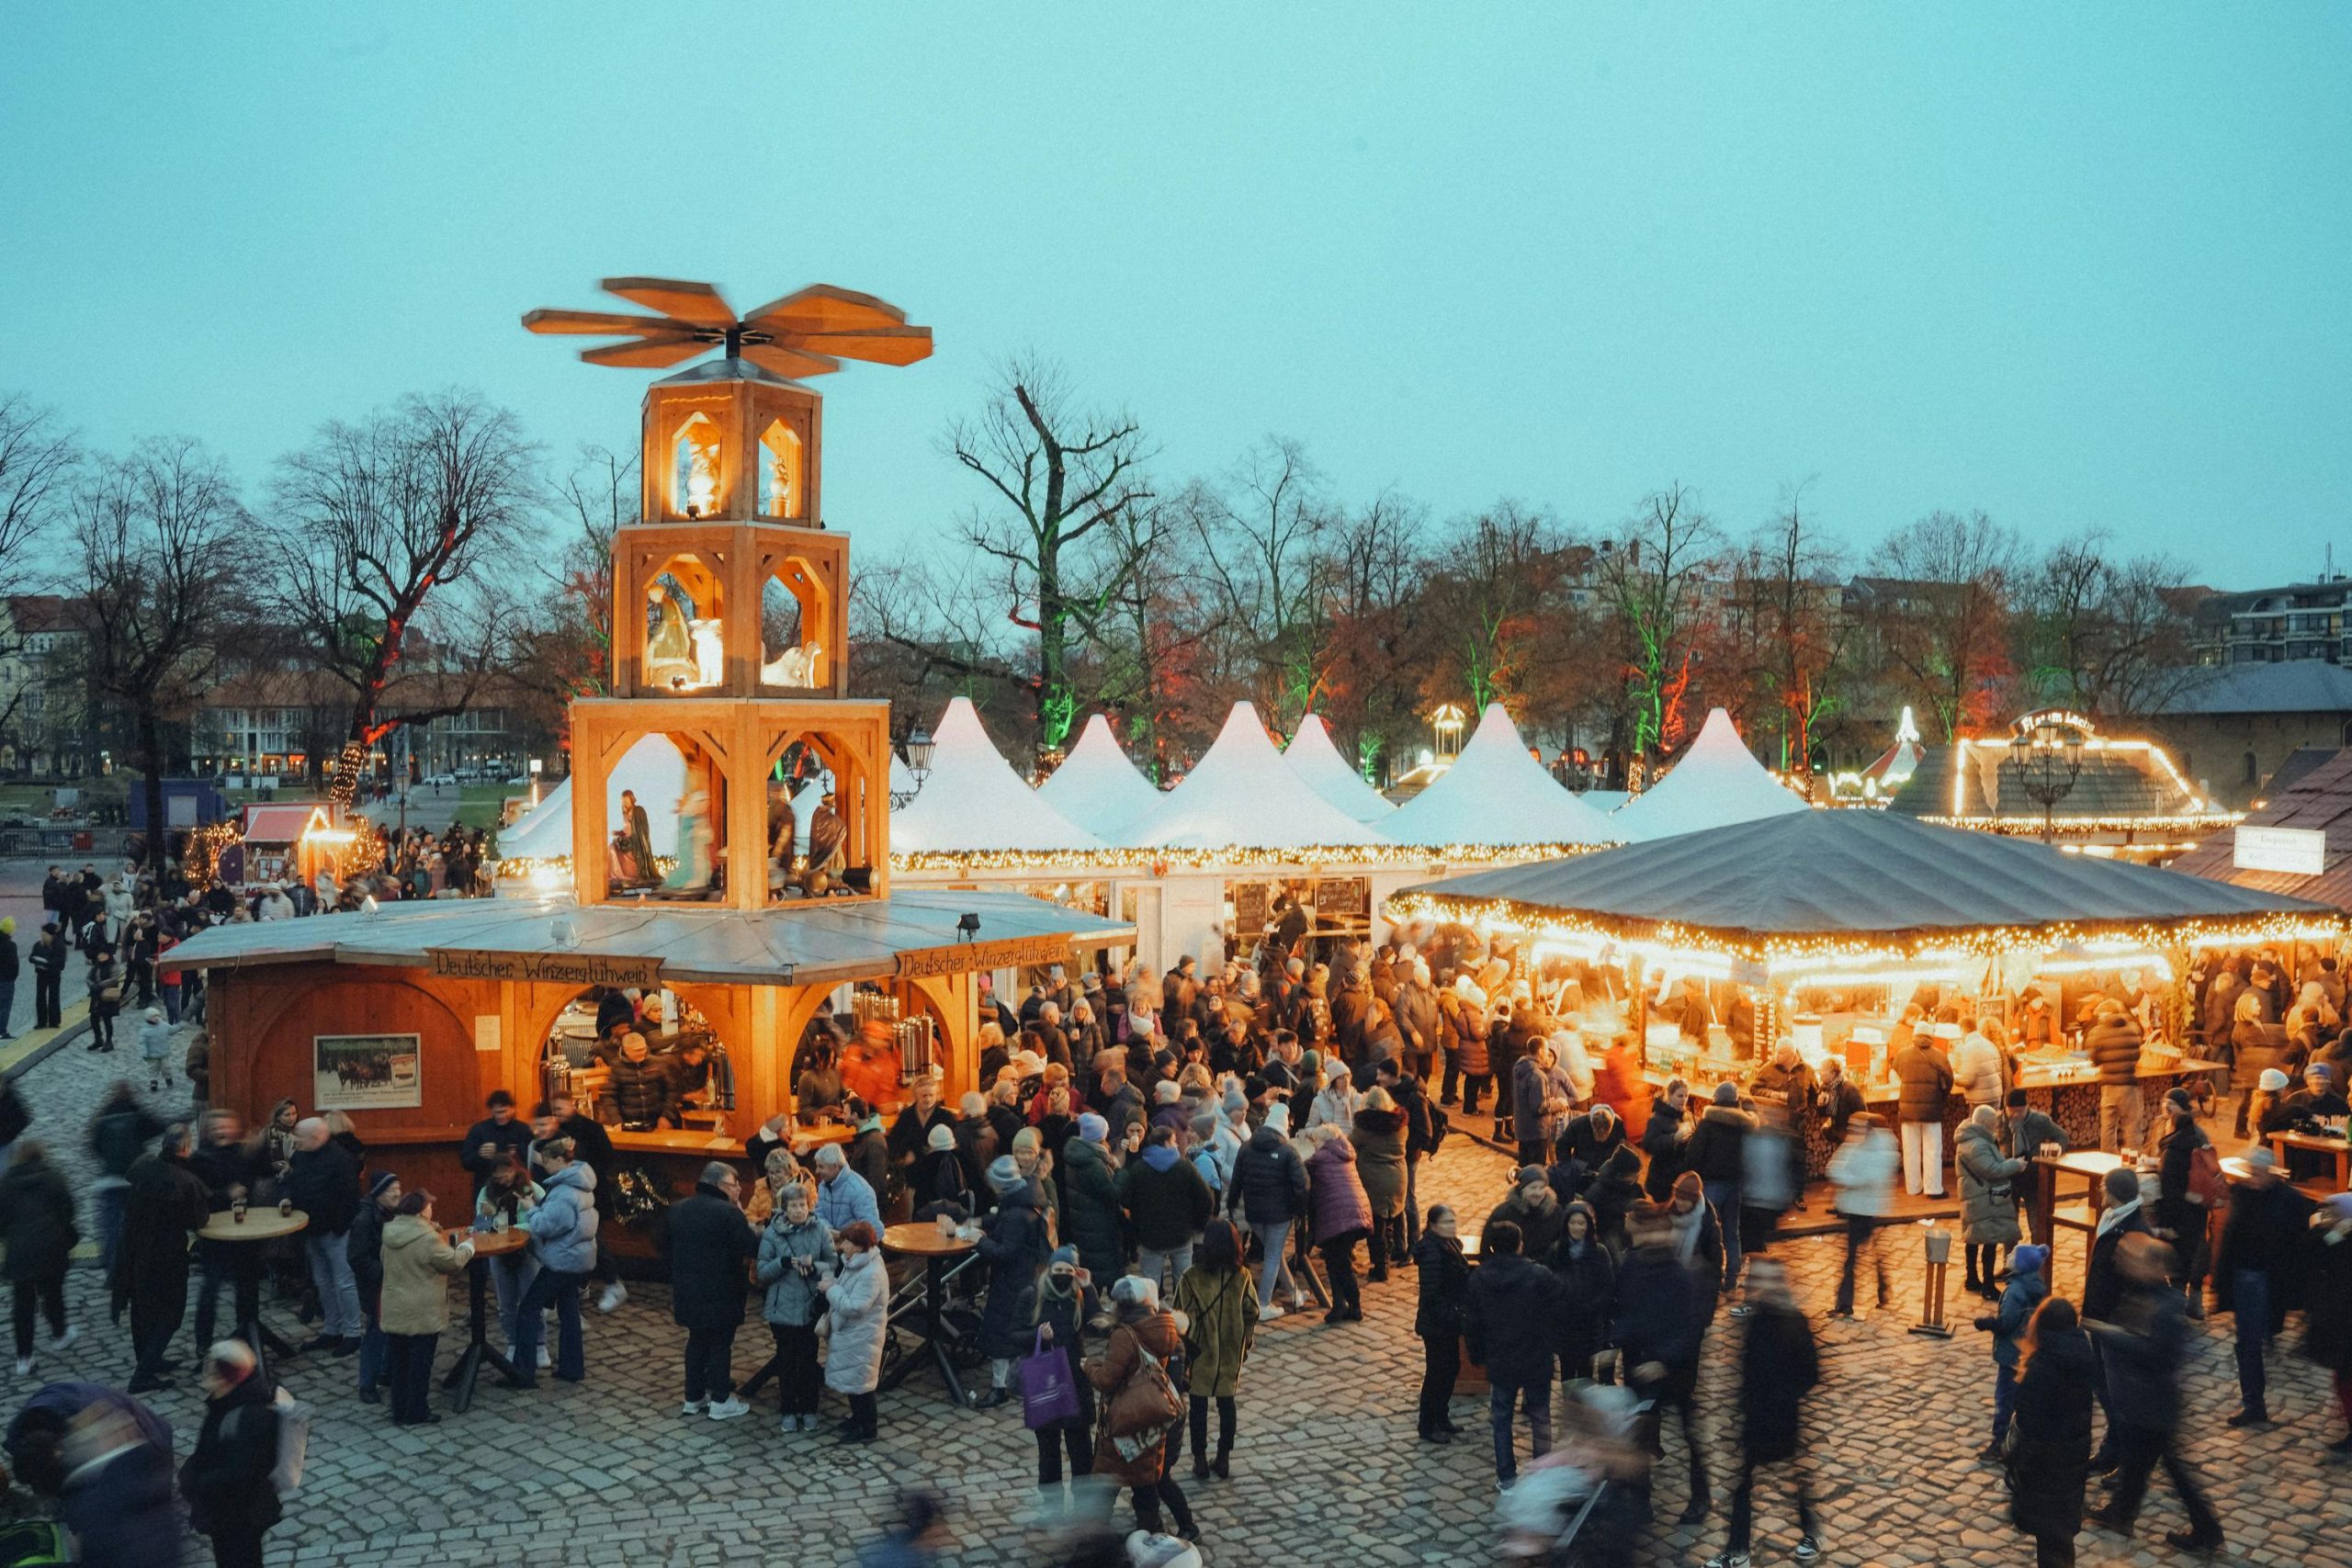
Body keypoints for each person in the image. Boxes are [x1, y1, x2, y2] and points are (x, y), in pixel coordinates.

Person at [2084, 1234, 2223, 1552]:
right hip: (2141, 1401)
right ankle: (2121, 1513)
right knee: (2138, 1462)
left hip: (2155, 1403)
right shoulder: (2143, 1294)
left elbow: (2158, 1355)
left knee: (2170, 1467)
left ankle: (2206, 1528)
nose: (2122, 1263)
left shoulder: (2167, 1305)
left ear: (2153, 1266)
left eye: (2130, 1259)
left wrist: (2112, 1334)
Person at [1702, 1258, 1819, 1568]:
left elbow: (1810, 1372)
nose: (1762, 1286)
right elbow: (1748, 1369)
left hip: (1781, 1416)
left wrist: (1783, 1397)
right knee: (1746, 1485)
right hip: (1756, 1417)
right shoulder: (1756, 1320)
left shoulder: (1794, 1321)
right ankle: (1739, 1548)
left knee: (1792, 1478)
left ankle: (1807, 1532)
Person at [1614, 1201, 1712, 1524]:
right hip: (1641, 1366)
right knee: (1639, 1436)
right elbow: (1629, 1314)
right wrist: (1613, 1343)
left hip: (1676, 1370)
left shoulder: (1683, 1273)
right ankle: (1641, 1501)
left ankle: (1701, 1497)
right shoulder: (1632, 1266)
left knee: (1689, 1435)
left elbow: (1691, 1326)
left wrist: (1664, 1361)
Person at [1083, 1275, 1194, 1540]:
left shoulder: (1125, 1335)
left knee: (1106, 1485)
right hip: (1154, 1421)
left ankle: (1095, 1541)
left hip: (1126, 1420)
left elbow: (1107, 1380)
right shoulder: (1168, 1330)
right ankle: (1150, 1538)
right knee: (1146, 1485)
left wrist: (1089, 1365)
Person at [1464, 1219, 1561, 1492]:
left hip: (1501, 1357)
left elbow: (1472, 1323)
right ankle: (1543, 1472)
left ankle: (1506, 1476)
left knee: (1502, 1419)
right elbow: (1559, 1306)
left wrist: (1477, 1356)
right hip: (1535, 1356)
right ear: (1520, 1245)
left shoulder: (1479, 1278)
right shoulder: (1539, 1275)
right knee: (1541, 1416)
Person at [114, 1122, 210, 1393]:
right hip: (165, 1255)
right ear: (185, 1148)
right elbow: (198, 1220)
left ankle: (149, 1359)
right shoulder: (183, 1180)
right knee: (170, 1314)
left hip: (134, 1249)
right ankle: (143, 1374)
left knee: (142, 1311)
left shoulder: (144, 1167)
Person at [659, 1159, 758, 1420]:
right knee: (720, 1343)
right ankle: (720, 1400)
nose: (738, 1189)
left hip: (688, 1288)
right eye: (735, 1185)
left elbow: (660, 1243)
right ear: (720, 1185)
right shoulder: (729, 1213)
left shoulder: (678, 1209)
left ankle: (693, 1397)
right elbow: (749, 1247)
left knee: (697, 1341)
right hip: (723, 1290)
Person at [2211, 1145, 2301, 1427]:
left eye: (2260, 1174)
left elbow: (2295, 1248)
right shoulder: (2241, 1194)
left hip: (2265, 1280)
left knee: (2250, 1341)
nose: (2255, 1179)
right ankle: (2253, 1403)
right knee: (2246, 1343)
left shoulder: (2289, 1201)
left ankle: (2253, 1403)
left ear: (2271, 1173)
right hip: (2243, 1277)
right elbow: (2229, 1237)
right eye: (2252, 1173)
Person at [2007, 1296, 2096, 1568]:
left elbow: (2028, 1426)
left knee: (2049, 1542)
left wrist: (2012, 1458)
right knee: (2061, 1538)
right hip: (2071, 1464)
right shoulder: (2083, 1356)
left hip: (2044, 1468)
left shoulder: (2042, 1367)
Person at [178, 1340, 281, 1568]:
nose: (208, 1375)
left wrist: (199, 1482)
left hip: (240, 1515)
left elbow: (243, 1471)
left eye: (214, 1370)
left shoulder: (249, 1416)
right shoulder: (226, 1403)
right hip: (228, 1513)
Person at [1016, 1246, 1099, 1520]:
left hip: (1075, 1382)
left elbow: (1097, 1326)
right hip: (1046, 1385)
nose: (1063, 1275)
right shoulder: (1032, 1296)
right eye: (1058, 1270)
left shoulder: (1079, 1296)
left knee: (1081, 1451)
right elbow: (1011, 1334)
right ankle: (1051, 1508)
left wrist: (1088, 1289)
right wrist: (1035, 1335)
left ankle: (1082, 1509)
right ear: (1050, 1270)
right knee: (1048, 1452)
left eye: (1068, 1271)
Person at [1171, 1217, 1257, 1482]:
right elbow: (1252, 1310)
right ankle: (1223, 1457)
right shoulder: (1242, 1276)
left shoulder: (1191, 1277)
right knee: (1227, 1404)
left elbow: (1181, 1316)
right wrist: (1244, 1340)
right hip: (1230, 1351)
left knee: (1197, 1406)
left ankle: (1199, 1459)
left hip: (1200, 1353)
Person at [506, 1136, 595, 1388]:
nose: (544, 1168)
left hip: (561, 1260)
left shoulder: (564, 1193)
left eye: (547, 1163)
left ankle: (523, 1372)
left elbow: (547, 1226)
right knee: (568, 1311)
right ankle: (572, 1368)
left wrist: (531, 1208)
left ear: (559, 1160)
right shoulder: (582, 1182)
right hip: (577, 1257)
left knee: (528, 1308)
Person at [379, 1190, 472, 1426]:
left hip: (396, 1306)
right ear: (421, 1210)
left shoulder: (389, 1233)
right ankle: (417, 1411)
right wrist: (468, 1247)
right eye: (430, 1206)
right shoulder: (427, 1238)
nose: (432, 1209)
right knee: (421, 1363)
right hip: (422, 1310)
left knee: (399, 1362)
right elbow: (453, 1262)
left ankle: (399, 1410)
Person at [2081, 1165, 2148, 1473]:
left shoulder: (2133, 1230)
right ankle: (2113, 1447)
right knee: (2101, 1384)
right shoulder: (2113, 1219)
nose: (2100, 1191)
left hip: (2115, 1324)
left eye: (2104, 1186)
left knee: (2115, 1392)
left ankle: (2123, 1456)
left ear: (2115, 1192)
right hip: (2101, 1320)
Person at [754, 1181, 834, 1433]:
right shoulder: (772, 1234)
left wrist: (815, 1267)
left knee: (809, 1361)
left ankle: (809, 1409)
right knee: (787, 1363)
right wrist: (783, 1263)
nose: (799, 1210)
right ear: (784, 1208)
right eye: (793, 1206)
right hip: (783, 1311)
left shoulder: (820, 1229)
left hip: (810, 1307)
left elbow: (833, 1263)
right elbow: (762, 1272)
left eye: (802, 1205)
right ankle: (789, 1409)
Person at [977, 1155, 1053, 1408]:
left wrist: (979, 1241)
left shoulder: (1016, 1214)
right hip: (1025, 1276)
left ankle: (1001, 1388)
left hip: (1011, 1281)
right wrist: (982, 1222)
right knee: (1017, 1329)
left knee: (1002, 1333)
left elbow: (1004, 1251)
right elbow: (1002, 1220)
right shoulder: (1025, 1200)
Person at [285, 1117, 363, 1355]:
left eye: (299, 1136)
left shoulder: (340, 1160)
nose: (294, 1140)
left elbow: (350, 1198)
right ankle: (332, 1329)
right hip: (311, 1229)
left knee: (344, 1282)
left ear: (316, 1137)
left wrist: (338, 1228)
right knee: (323, 1282)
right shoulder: (301, 1155)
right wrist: (286, 1198)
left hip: (334, 1231)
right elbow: (292, 1182)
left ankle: (352, 1333)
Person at [0, 1143, 77, 1376]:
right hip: (51, 1247)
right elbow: (68, 1211)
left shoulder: (5, 1184)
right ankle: (60, 1333)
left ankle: (24, 1358)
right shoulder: (54, 1177)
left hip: (20, 1251)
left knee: (23, 1305)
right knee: (53, 1294)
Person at [1227, 1101, 1308, 1318]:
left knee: (1275, 1253)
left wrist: (1231, 1205)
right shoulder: (1288, 1151)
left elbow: (1237, 1179)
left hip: (1254, 1212)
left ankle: (1293, 1291)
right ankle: (1263, 1303)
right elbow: (1302, 1185)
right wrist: (1300, 1211)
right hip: (1279, 1214)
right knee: (1273, 1255)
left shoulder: (1246, 1147)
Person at [1972, 1242, 2049, 1459]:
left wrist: (1986, 1323)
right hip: (2027, 1352)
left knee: (2004, 1398)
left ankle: (2000, 1442)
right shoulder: (2037, 1286)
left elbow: (2006, 1322)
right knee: (2021, 1399)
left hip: (2011, 1354)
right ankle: (2020, 1440)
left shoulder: (2015, 1290)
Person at [819, 1220, 888, 1443]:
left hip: (862, 1335)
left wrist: (831, 1290)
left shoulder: (871, 1272)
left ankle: (868, 1427)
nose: (842, 1246)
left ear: (859, 1246)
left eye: (846, 1242)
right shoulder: (855, 1263)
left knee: (862, 1383)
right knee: (854, 1380)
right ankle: (858, 1419)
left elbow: (855, 1307)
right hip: (852, 1334)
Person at [1684, 1082, 1752, 1301]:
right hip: (1735, 1185)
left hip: (1711, 1184)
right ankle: (1731, 1279)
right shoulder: (1744, 1126)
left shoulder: (1707, 1124)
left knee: (1705, 1229)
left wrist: (1696, 1175)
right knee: (1733, 1232)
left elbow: (1694, 1154)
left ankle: (1708, 1276)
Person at [1954, 1103, 2026, 1301]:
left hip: (1975, 1196)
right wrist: (2015, 1165)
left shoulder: (1970, 1139)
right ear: (1985, 1124)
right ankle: (1987, 1285)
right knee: (1990, 1240)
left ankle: (1972, 1279)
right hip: (1984, 1198)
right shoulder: (1978, 1144)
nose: (1995, 1127)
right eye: (1993, 1124)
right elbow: (1993, 1170)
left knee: (1973, 1236)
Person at [1304, 1123, 1373, 1324]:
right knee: (1336, 1263)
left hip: (1339, 1217)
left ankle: (1355, 1307)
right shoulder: (1345, 1154)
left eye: (1316, 1142)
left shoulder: (1320, 1158)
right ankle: (1340, 1305)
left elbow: (1303, 1170)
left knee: (1341, 1265)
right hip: (1356, 1213)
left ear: (1324, 1142)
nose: (1315, 1146)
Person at [1413, 1203, 1470, 1442]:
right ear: (1433, 1225)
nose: (1452, 1226)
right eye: (1447, 1222)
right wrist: (1453, 1316)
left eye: (1453, 1221)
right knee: (1437, 1373)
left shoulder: (1451, 1245)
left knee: (1451, 1369)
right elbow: (1432, 1294)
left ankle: (1441, 1416)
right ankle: (1427, 1424)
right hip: (1437, 1324)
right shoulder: (1431, 1252)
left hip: (1448, 1321)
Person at [1549, 1199, 1615, 1383]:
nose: (1577, 1227)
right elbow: (1550, 1284)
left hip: (1589, 1324)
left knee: (1586, 1371)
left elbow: (1607, 1286)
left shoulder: (1599, 1252)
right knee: (1567, 1371)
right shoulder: (1557, 1251)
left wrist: (1592, 1308)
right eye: (1573, 1223)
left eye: (1581, 1223)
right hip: (1565, 1324)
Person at [1350, 1086, 1408, 1280]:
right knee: (1391, 1219)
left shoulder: (1365, 1128)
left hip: (1374, 1180)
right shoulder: (1401, 1127)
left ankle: (1380, 1266)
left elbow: (1350, 1145)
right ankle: (1389, 1255)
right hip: (1398, 1178)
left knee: (1375, 1226)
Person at [350, 1170, 399, 1404]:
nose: (397, 1193)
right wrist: (384, 1272)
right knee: (376, 1332)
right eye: (391, 1190)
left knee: (391, 1328)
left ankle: (386, 1372)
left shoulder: (392, 1214)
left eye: (398, 1188)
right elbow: (357, 1257)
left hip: (390, 1283)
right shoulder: (364, 1219)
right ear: (378, 1193)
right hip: (376, 1286)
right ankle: (367, 1384)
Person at [1893, 1021, 1954, 1196]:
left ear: (1914, 1036)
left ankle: (1913, 1187)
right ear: (1930, 1037)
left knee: (1910, 1149)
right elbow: (1949, 1080)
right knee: (1932, 1149)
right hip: (1932, 1109)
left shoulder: (1902, 1054)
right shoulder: (1939, 1056)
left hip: (1907, 1110)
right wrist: (1942, 1097)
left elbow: (1896, 1072)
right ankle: (1933, 1188)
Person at [2086, 998, 2144, 1153]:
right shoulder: (2132, 1029)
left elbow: (2094, 1059)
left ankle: (2107, 1164)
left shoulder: (2099, 1032)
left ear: (2106, 1014)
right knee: (2132, 1127)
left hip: (2108, 1087)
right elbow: (2137, 1056)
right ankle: (2133, 1164)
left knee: (2108, 1128)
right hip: (2128, 1086)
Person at [458, 1090, 533, 1185]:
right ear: (491, 1111)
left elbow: (530, 1161)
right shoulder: (479, 1130)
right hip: (487, 1185)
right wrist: (480, 1155)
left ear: (512, 1109)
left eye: (504, 1111)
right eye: (497, 1113)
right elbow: (466, 1162)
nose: (500, 1116)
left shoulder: (523, 1130)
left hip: (516, 1185)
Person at [813, 1142, 881, 1234]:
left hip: (855, 1244)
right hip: (830, 1241)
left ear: (834, 1167)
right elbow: (819, 1213)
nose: (817, 1171)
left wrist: (845, 1238)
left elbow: (873, 1230)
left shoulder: (859, 1190)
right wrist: (830, 1232)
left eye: (821, 1167)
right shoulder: (823, 1186)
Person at [28, 922, 66, 1032]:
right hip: (41, 974)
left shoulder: (59, 945)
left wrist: (46, 963)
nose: (41, 934)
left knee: (53, 996)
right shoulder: (38, 944)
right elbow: (31, 957)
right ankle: (41, 1022)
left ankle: (54, 1021)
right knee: (40, 996)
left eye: (43, 932)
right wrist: (39, 961)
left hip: (54, 974)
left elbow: (61, 963)